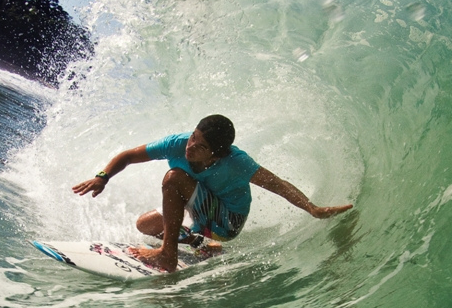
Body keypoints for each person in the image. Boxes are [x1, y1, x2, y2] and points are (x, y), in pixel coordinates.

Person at [72, 114, 353, 272]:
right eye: (194, 136)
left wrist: (312, 209)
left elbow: (278, 185)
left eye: (200, 145)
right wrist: (102, 177)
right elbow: (129, 155)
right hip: (200, 214)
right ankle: (202, 246)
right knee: (145, 224)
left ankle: (167, 255)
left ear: (217, 155)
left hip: (227, 221)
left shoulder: (237, 162)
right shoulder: (178, 143)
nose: (190, 146)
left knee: (174, 179)